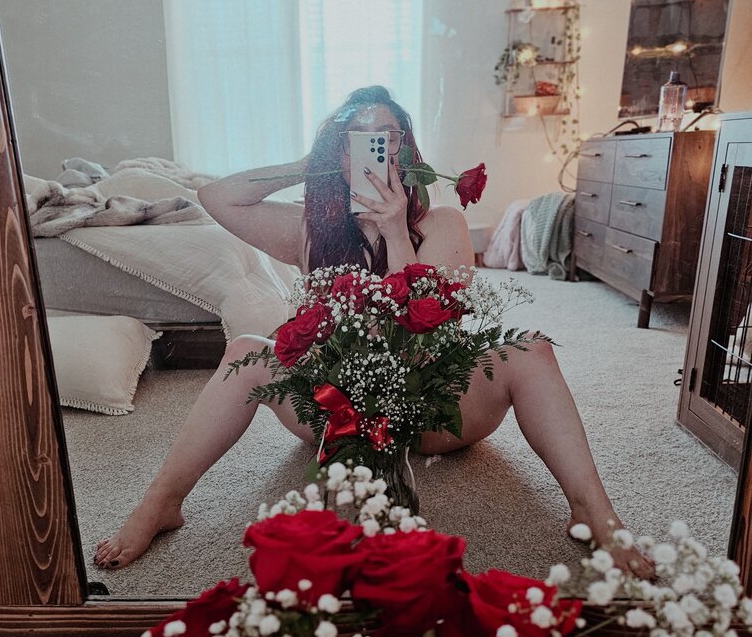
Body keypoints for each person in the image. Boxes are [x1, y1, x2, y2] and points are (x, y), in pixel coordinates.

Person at [95, 85, 652, 577]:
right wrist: (308, 164)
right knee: (246, 350)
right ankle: (161, 503)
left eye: (387, 135)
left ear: (406, 150)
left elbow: (427, 334)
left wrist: (394, 231)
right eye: (358, 139)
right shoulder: (310, 230)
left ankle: (592, 509)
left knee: (531, 350)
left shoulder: (443, 224)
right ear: (339, 151)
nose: (374, 147)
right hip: (338, 415)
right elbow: (217, 197)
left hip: (436, 412)